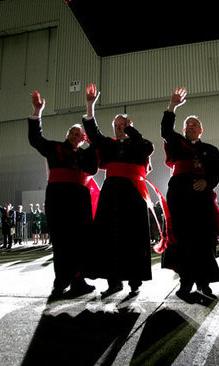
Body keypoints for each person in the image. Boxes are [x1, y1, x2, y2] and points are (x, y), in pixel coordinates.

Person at [82, 83, 155, 296]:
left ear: (130, 125)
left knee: (133, 236)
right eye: (117, 125)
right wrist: (90, 105)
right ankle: (113, 282)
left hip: (133, 193)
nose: (119, 128)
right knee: (109, 237)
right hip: (112, 194)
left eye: (123, 125)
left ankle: (134, 279)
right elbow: (93, 134)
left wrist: (130, 130)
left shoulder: (139, 144)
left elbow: (147, 147)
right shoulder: (108, 144)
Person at [158, 87, 219, 299]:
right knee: (182, 239)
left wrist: (206, 182)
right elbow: (165, 130)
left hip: (202, 199)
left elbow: (217, 173)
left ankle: (204, 282)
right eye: (187, 125)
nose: (190, 127)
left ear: (201, 130)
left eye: (194, 124)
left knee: (204, 240)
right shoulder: (177, 143)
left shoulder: (211, 149)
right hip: (179, 197)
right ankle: (185, 281)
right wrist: (172, 106)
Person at [28, 89, 98, 298]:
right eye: (74, 133)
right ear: (67, 135)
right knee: (61, 240)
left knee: (80, 240)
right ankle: (61, 281)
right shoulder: (55, 148)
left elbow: (93, 170)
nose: (77, 136)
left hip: (80, 199)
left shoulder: (87, 154)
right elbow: (35, 138)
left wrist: (92, 143)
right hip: (58, 198)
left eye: (81, 134)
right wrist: (36, 112)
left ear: (84, 138)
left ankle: (78, 279)